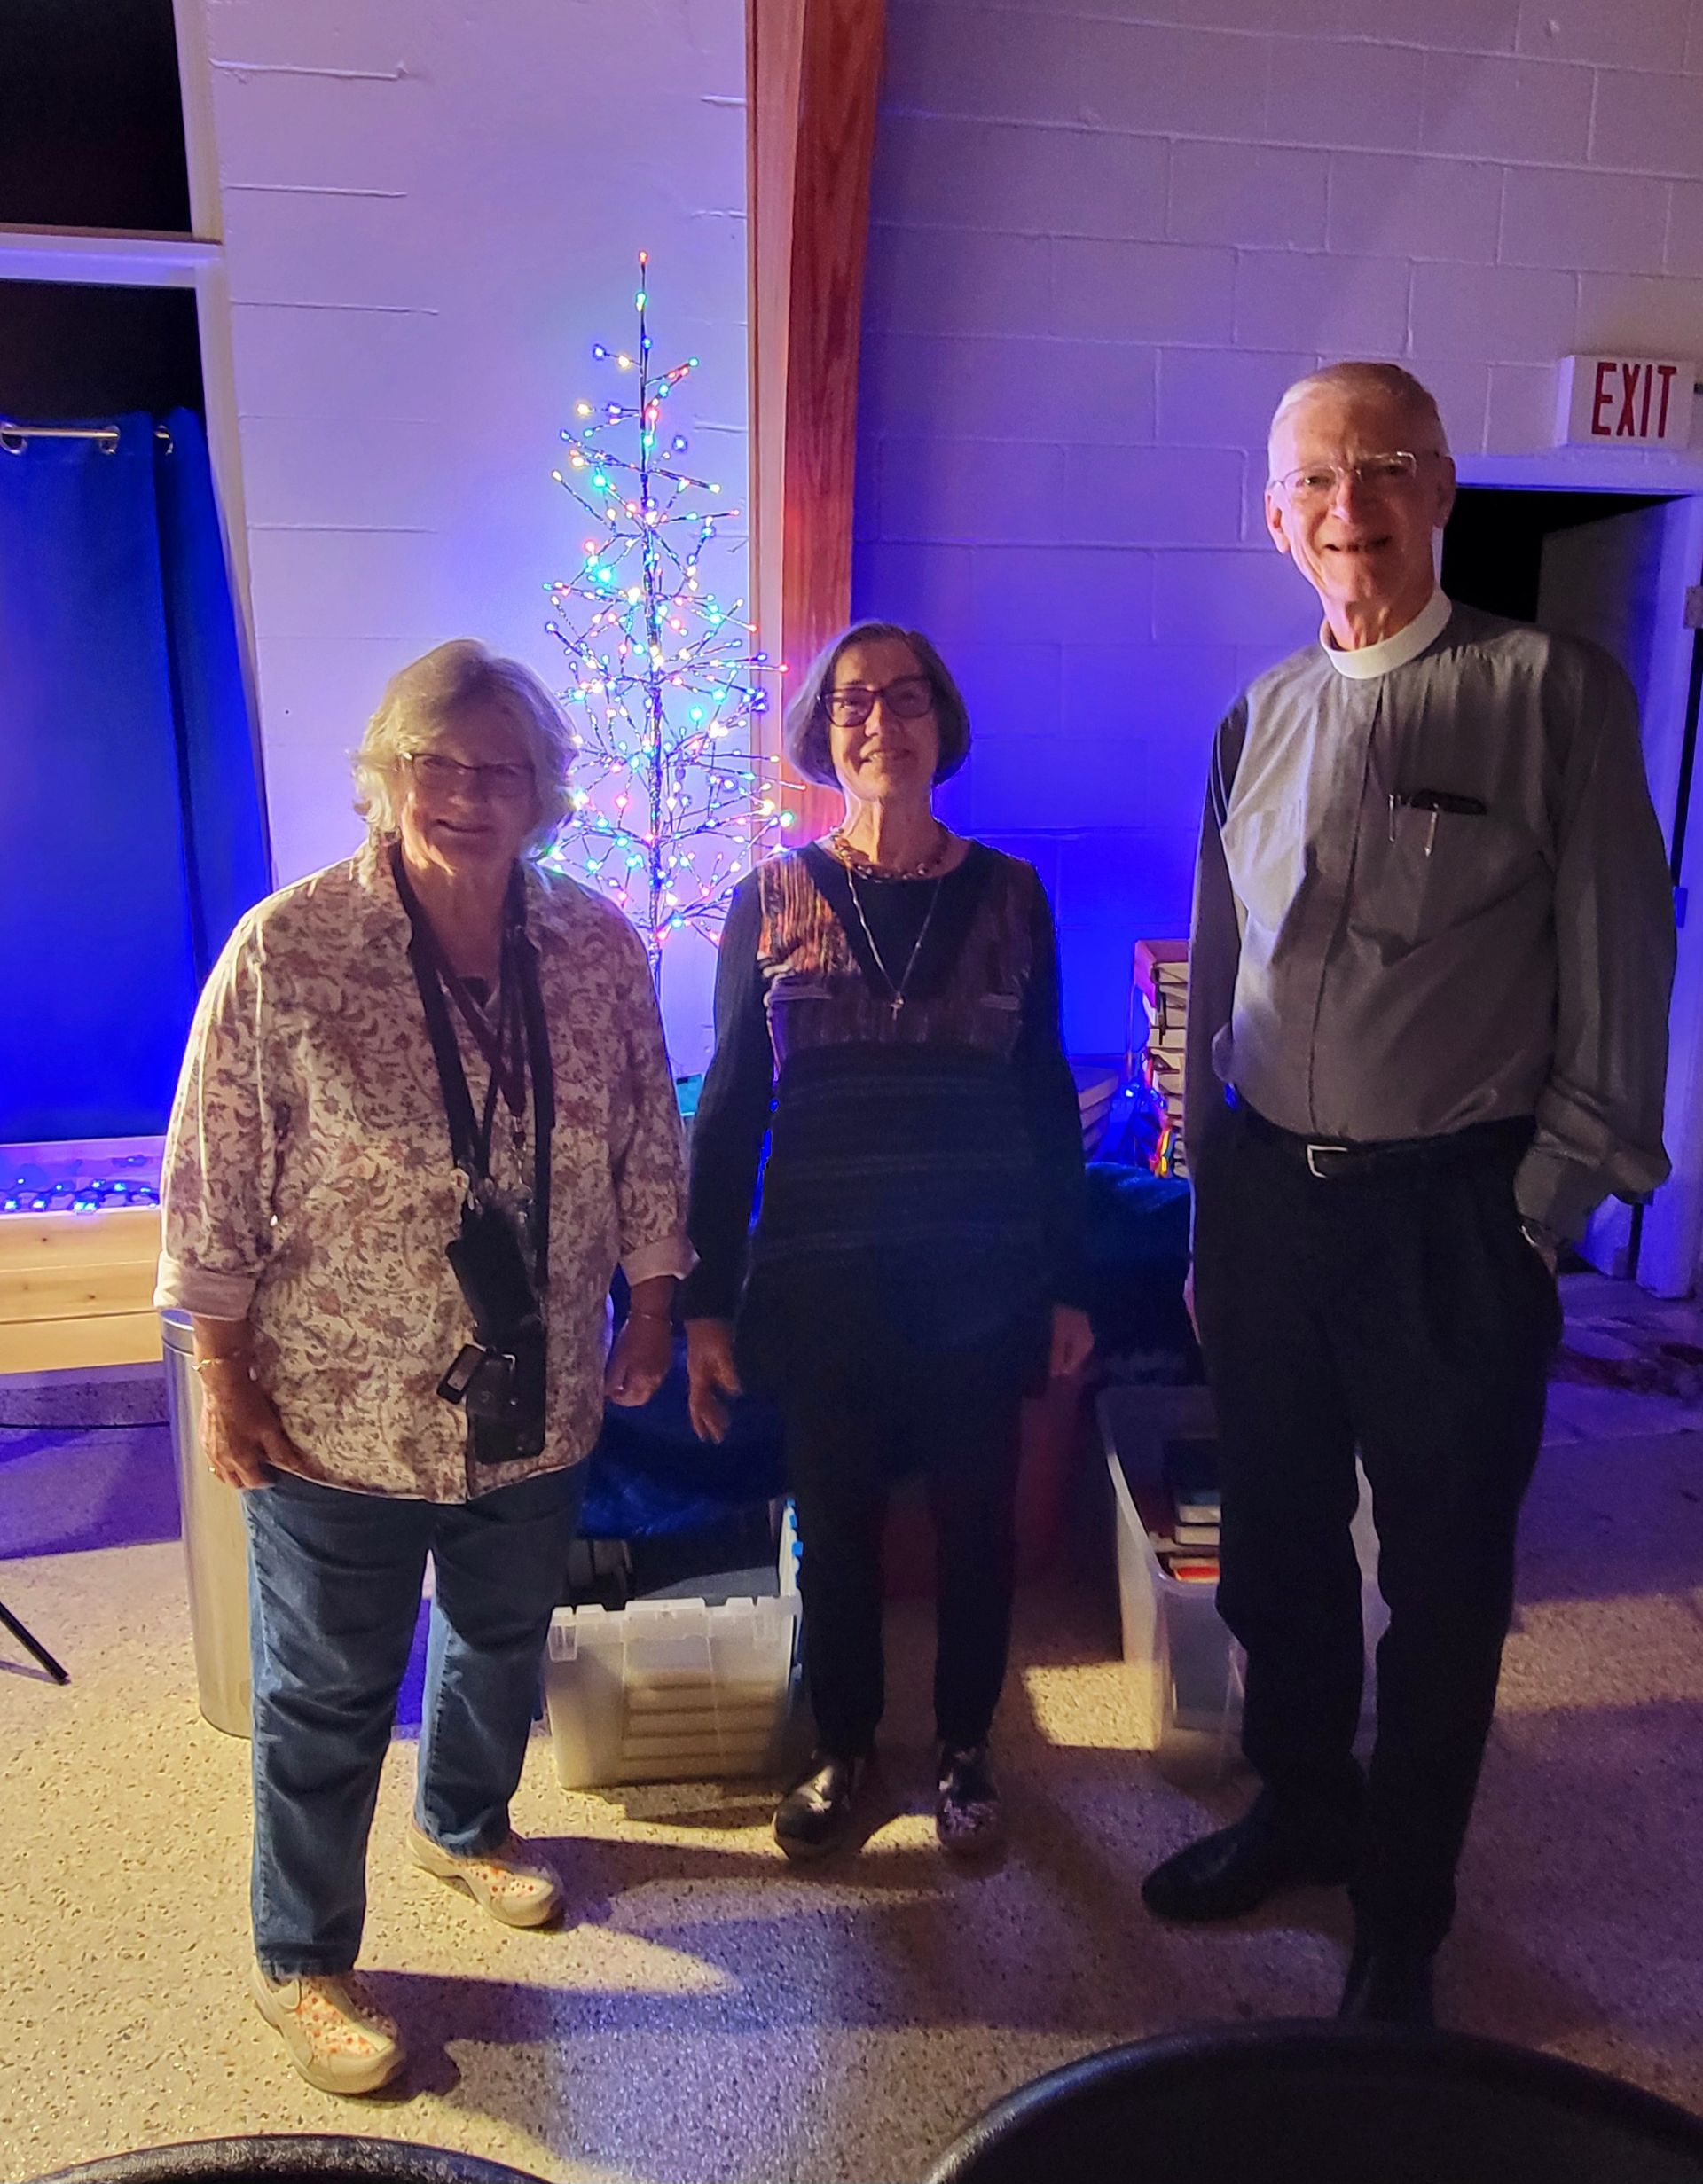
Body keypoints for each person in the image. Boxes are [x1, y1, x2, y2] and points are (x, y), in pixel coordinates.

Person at [1142, 362, 1676, 2024]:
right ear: (1275, 514)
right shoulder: (1255, 716)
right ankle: (1302, 1802)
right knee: (1279, 1543)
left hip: (1455, 1220)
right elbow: (1218, 978)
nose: (1348, 507)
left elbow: (1622, 972)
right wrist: (1206, 1206)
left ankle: (1406, 1907)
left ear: (1442, 489)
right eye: (1314, 480)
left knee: (1445, 1577)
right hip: (1270, 1213)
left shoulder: (1555, 693)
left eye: (1385, 470)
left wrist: (1547, 1204)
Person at [156, 638, 691, 2094]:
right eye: (433, 765)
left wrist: (652, 1302)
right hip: (338, 1407)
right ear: (386, 780)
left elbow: (648, 1133)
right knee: (327, 1693)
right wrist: (223, 1368)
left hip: (538, 1399)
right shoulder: (289, 950)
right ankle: (303, 1958)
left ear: (544, 796)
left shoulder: (593, 948)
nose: (463, 793)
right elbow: (213, 1178)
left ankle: (464, 1827)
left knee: (502, 1639)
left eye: (498, 770)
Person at [682, 621, 1093, 1860]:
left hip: (978, 1283)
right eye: (855, 703)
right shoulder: (769, 898)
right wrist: (705, 1301)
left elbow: (1042, 1097)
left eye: (906, 699)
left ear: (941, 725)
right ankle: (845, 1748)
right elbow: (733, 1108)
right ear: (824, 732)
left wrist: (1068, 1283)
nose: (881, 723)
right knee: (838, 1536)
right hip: (822, 1282)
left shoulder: (1013, 896)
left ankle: (968, 1748)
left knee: (979, 1531)